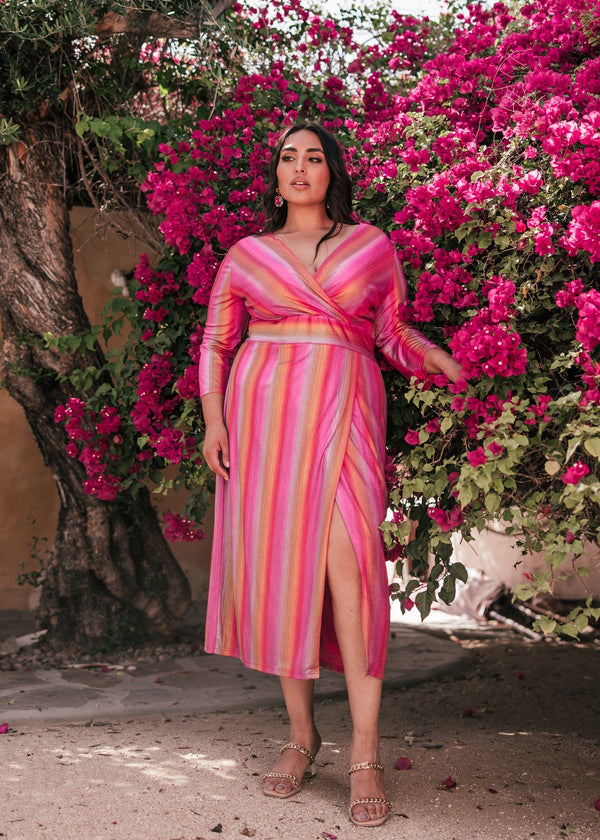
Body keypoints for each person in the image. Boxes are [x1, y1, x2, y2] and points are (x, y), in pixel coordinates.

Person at [198, 121, 462, 827]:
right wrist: (215, 422)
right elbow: (217, 342)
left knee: (352, 567)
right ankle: (301, 736)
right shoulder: (247, 254)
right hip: (266, 420)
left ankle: (366, 751)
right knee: (289, 572)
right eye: (288, 157)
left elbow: (391, 332)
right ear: (275, 176)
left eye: (313, 157)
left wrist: (435, 358)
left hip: (347, 408)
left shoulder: (370, 245)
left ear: (331, 172)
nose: (300, 168)